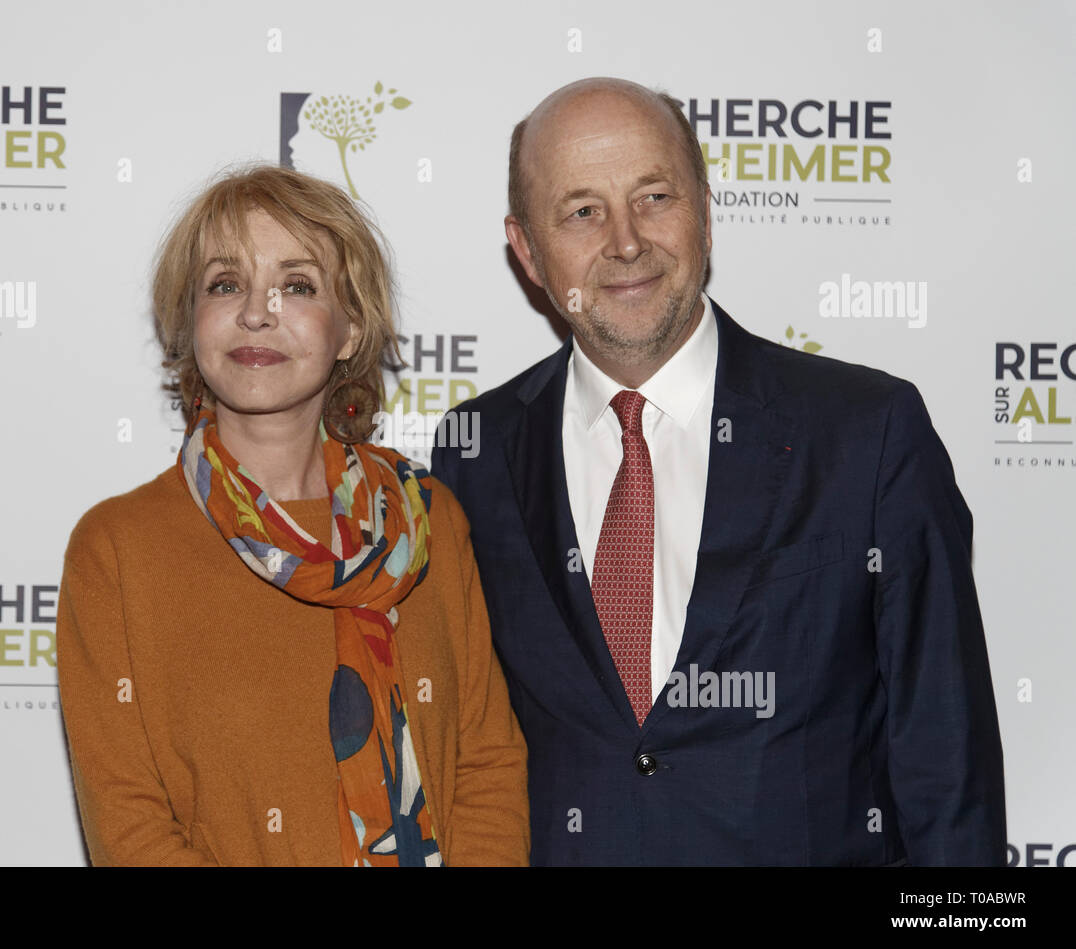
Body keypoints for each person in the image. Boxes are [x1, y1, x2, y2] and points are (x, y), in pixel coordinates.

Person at [430, 78, 1006, 865]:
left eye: (655, 196)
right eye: (582, 211)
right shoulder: (474, 452)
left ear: (705, 208)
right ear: (528, 249)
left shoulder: (867, 433)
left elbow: (948, 761)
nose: (627, 242)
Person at [57, 163, 529, 866]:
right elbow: (129, 823)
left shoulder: (426, 521)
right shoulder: (118, 548)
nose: (257, 312)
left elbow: (487, 766)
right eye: (225, 284)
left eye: (297, 286)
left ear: (350, 329)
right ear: (190, 321)